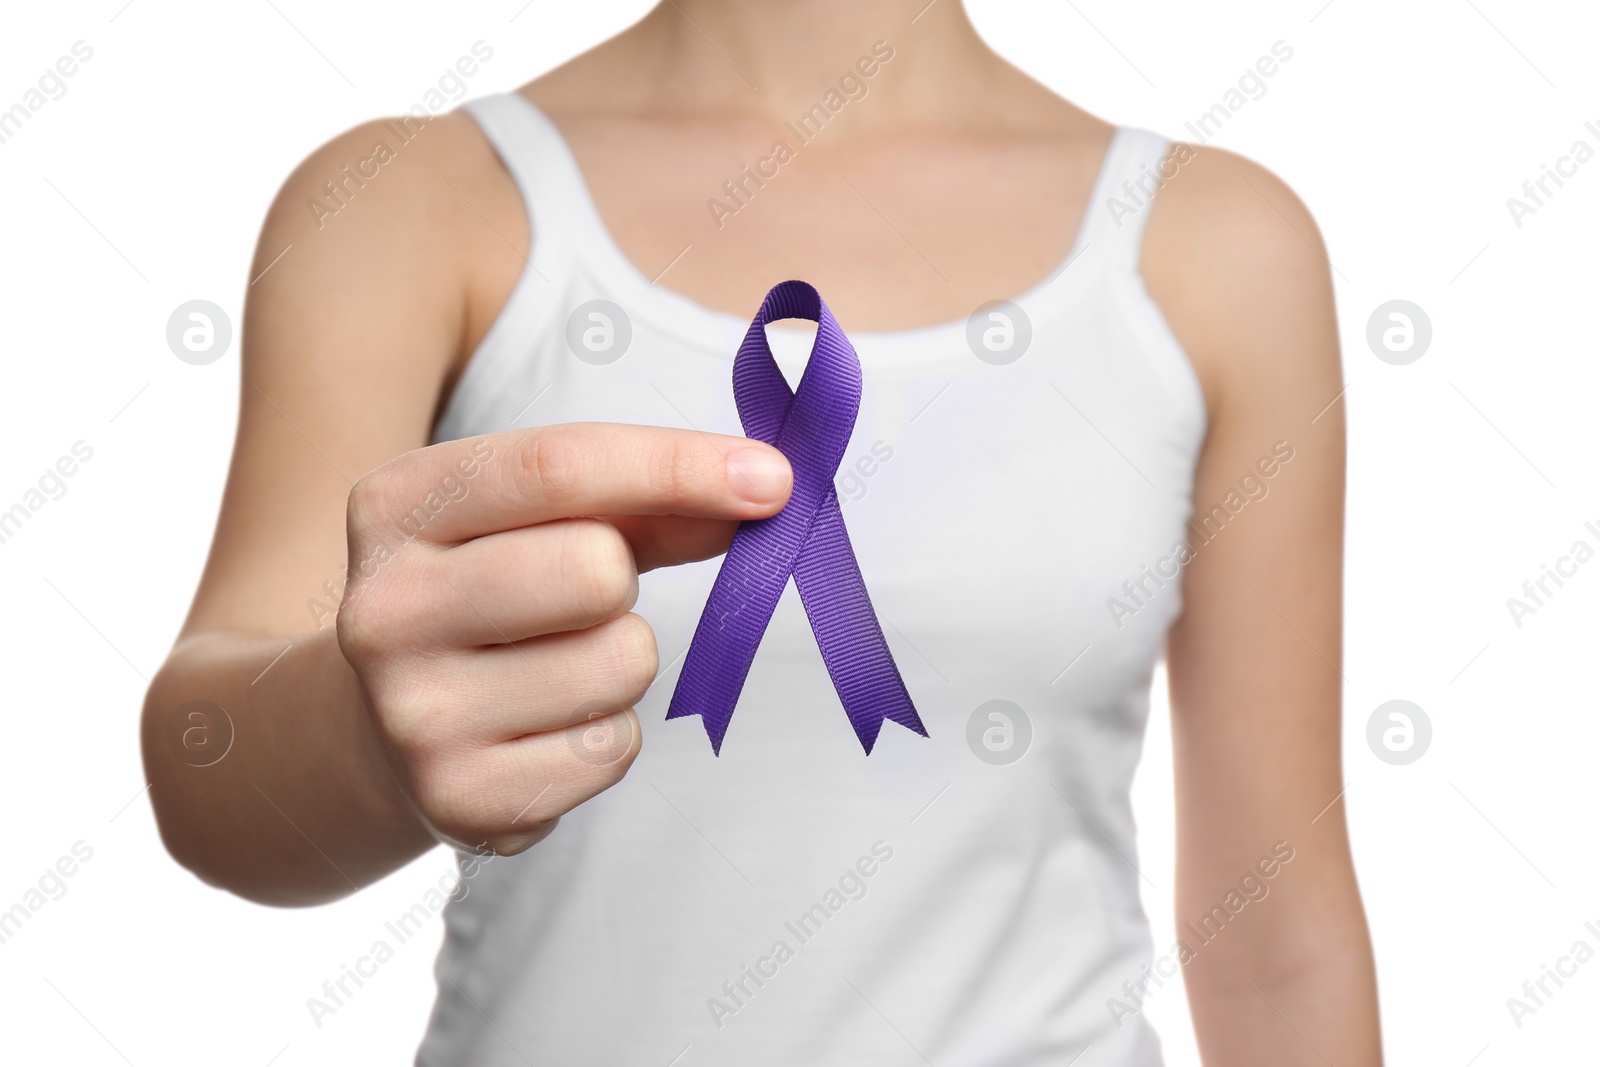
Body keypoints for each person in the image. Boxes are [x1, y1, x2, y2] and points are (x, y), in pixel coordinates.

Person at [140, 1, 1381, 1062]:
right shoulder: (406, 206)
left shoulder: (1218, 245)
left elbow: (1272, 924)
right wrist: (365, 738)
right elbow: (205, 762)